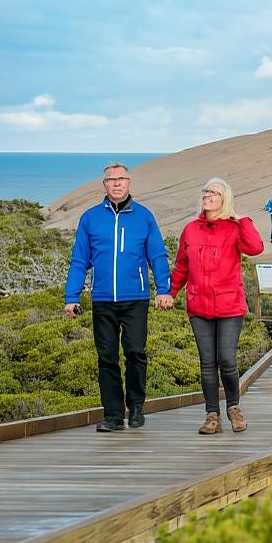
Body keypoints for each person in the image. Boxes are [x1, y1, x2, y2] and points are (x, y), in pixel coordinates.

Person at [63, 162, 172, 433]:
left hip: (135, 297)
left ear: (129, 183)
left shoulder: (144, 216)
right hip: (102, 299)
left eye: (121, 179)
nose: (116, 183)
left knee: (135, 352)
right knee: (107, 357)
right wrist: (71, 296)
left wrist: (165, 289)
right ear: (104, 185)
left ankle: (136, 408)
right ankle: (113, 415)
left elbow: (157, 255)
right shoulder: (90, 218)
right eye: (110, 180)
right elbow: (79, 260)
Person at [171, 178, 264, 435]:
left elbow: (255, 248)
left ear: (225, 199)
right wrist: (170, 292)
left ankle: (234, 408)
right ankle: (212, 415)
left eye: (214, 192)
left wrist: (243, 220)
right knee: (207, 362)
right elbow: (181, 265)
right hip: (198, 305)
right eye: (205, 191)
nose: (207, 195)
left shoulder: (235, 228)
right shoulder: (191, 229)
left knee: (227, 359)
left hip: (229, 305)